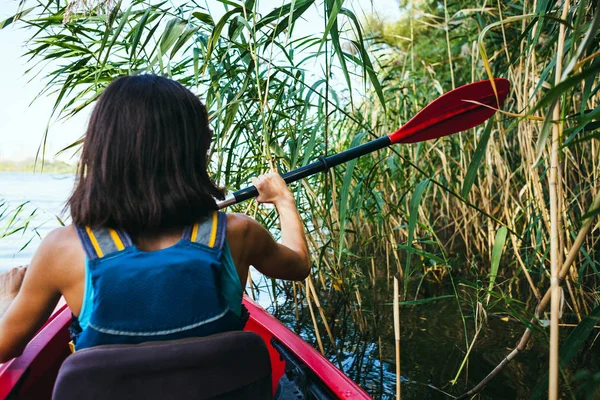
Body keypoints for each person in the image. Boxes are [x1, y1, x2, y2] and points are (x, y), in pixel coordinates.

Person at [0, 75, 310, 362]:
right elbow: (297, 265)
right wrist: (283, 199)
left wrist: (7, 300)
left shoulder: (61, 248)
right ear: (196, 151)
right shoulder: (240, 232)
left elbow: (4, 349)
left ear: (102, 150)